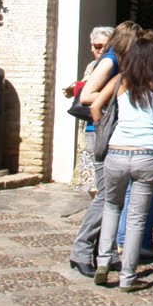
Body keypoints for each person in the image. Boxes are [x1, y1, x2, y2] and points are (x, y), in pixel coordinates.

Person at [89, 28, 153, 290]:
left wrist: (102, 128)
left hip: (117, 151)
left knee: (111, 207)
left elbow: (94, 105)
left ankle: (103, 262)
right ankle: (128, 277)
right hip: (147, 153)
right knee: (136, 217)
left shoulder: (121, 80)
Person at [67, 21, 134, 277]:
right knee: (106, 196)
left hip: (110, 131)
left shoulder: (119, 62)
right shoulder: (109, 61)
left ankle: (104, 253)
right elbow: (86, 96)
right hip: (100, 132)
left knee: (113, 197)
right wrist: (119, 95)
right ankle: (81, 250)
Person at [65, 25, 113, 196]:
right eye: (97, 46)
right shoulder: (92, 66)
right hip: (88, 122)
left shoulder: (111, 64)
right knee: (91, 173)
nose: (100, 50)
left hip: (104, 121)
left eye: (105, 46)